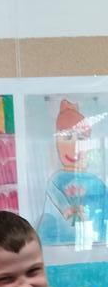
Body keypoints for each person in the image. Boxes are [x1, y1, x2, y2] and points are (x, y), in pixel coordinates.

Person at [37, 99, 107, 246]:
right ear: (57, 143)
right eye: (67, 137)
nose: (74, 146)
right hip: (56, 244)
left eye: (81, 138)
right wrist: (67, 209)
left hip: (93, 245)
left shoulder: (95, 182)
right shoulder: (56, 179)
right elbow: (54, 196)